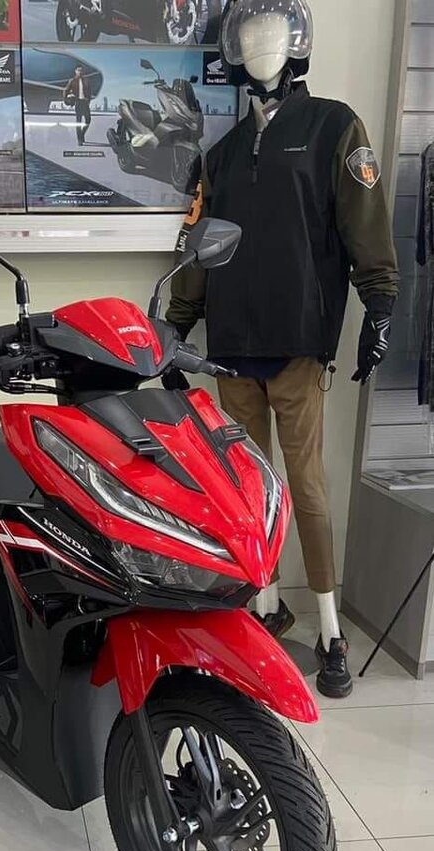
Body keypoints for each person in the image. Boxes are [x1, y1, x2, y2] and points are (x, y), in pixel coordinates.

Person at [167, 0, 399, 699]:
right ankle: (265, 603)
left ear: (297, 43)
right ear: (233, 50)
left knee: (306, 487)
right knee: (245, 487)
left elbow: (363, 222)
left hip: (298, 341)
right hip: (231, 346)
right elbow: (199, 243)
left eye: (270, 30)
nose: (260, 42)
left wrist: (379, 303)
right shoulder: (222, 153)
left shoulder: (334, 126)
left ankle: (329, 628)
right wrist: (176, 324)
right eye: (247, 34)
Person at [63, 65, 93, 147]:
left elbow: (89, 92)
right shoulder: (72, 81)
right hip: (78, 102)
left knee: (88, 120)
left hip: (85, 102)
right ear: (75, 71)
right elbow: (66, 90)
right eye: (78, 70)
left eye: (81, 70)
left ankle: (82, 134)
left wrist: (88, 100)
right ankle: (79, 140)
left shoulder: (86, 81)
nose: (80, 72)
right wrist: (66, 100)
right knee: (78, 121)